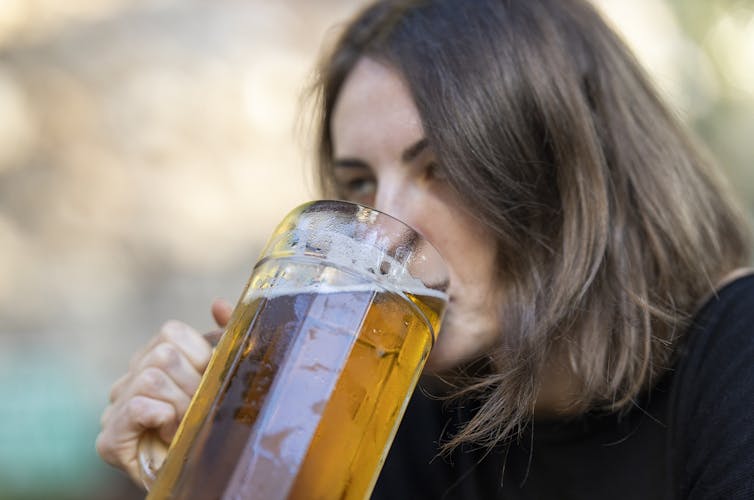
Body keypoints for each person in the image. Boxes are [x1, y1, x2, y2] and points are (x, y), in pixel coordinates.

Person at [97, 0, 754, 498]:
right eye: (358, 181)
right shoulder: (400, 417)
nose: (381, 227)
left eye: (439, 167)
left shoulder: (736, 359)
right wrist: (199, 466)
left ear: (569, 167)